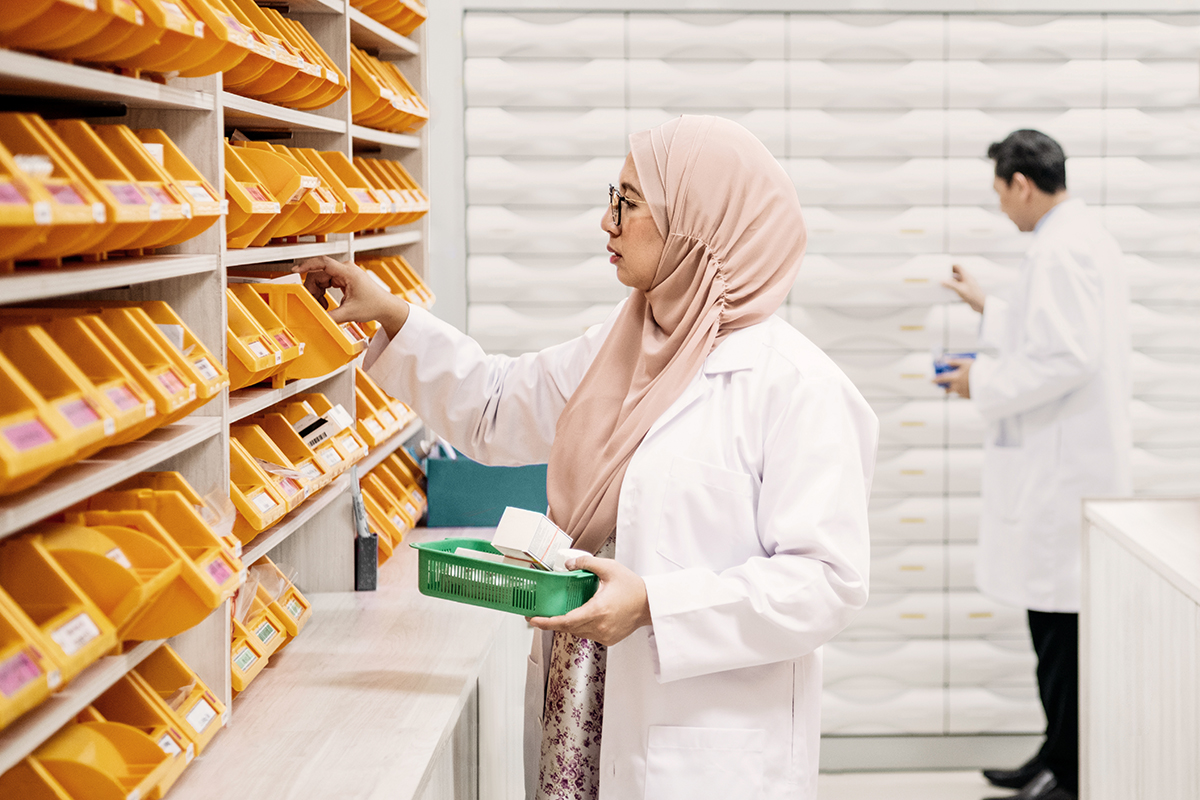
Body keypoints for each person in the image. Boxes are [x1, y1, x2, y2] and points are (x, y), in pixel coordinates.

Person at [296, 115, 877, 800]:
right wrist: (392, 315)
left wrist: (656, 606)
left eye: (628, 203)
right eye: (612, 197)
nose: (607, 222)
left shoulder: (797, 387)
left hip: (701, 742)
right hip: (578, 701)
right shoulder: (621, 347)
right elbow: (497, 405)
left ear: (697, 226)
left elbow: (826, 582)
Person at [938, 129, 1132, 800]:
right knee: (1052, 627)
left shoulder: (1061, 248)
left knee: (1060, 631)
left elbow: (1066, 356)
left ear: (1021, 183)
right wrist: (989, 306)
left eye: (1000, 193)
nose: (1001, 207)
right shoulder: (1075, 240)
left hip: (1064, 470)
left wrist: (981, 382)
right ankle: (1055, 753)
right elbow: (1052, 331)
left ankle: (1068, 774)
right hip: (1064, 464)